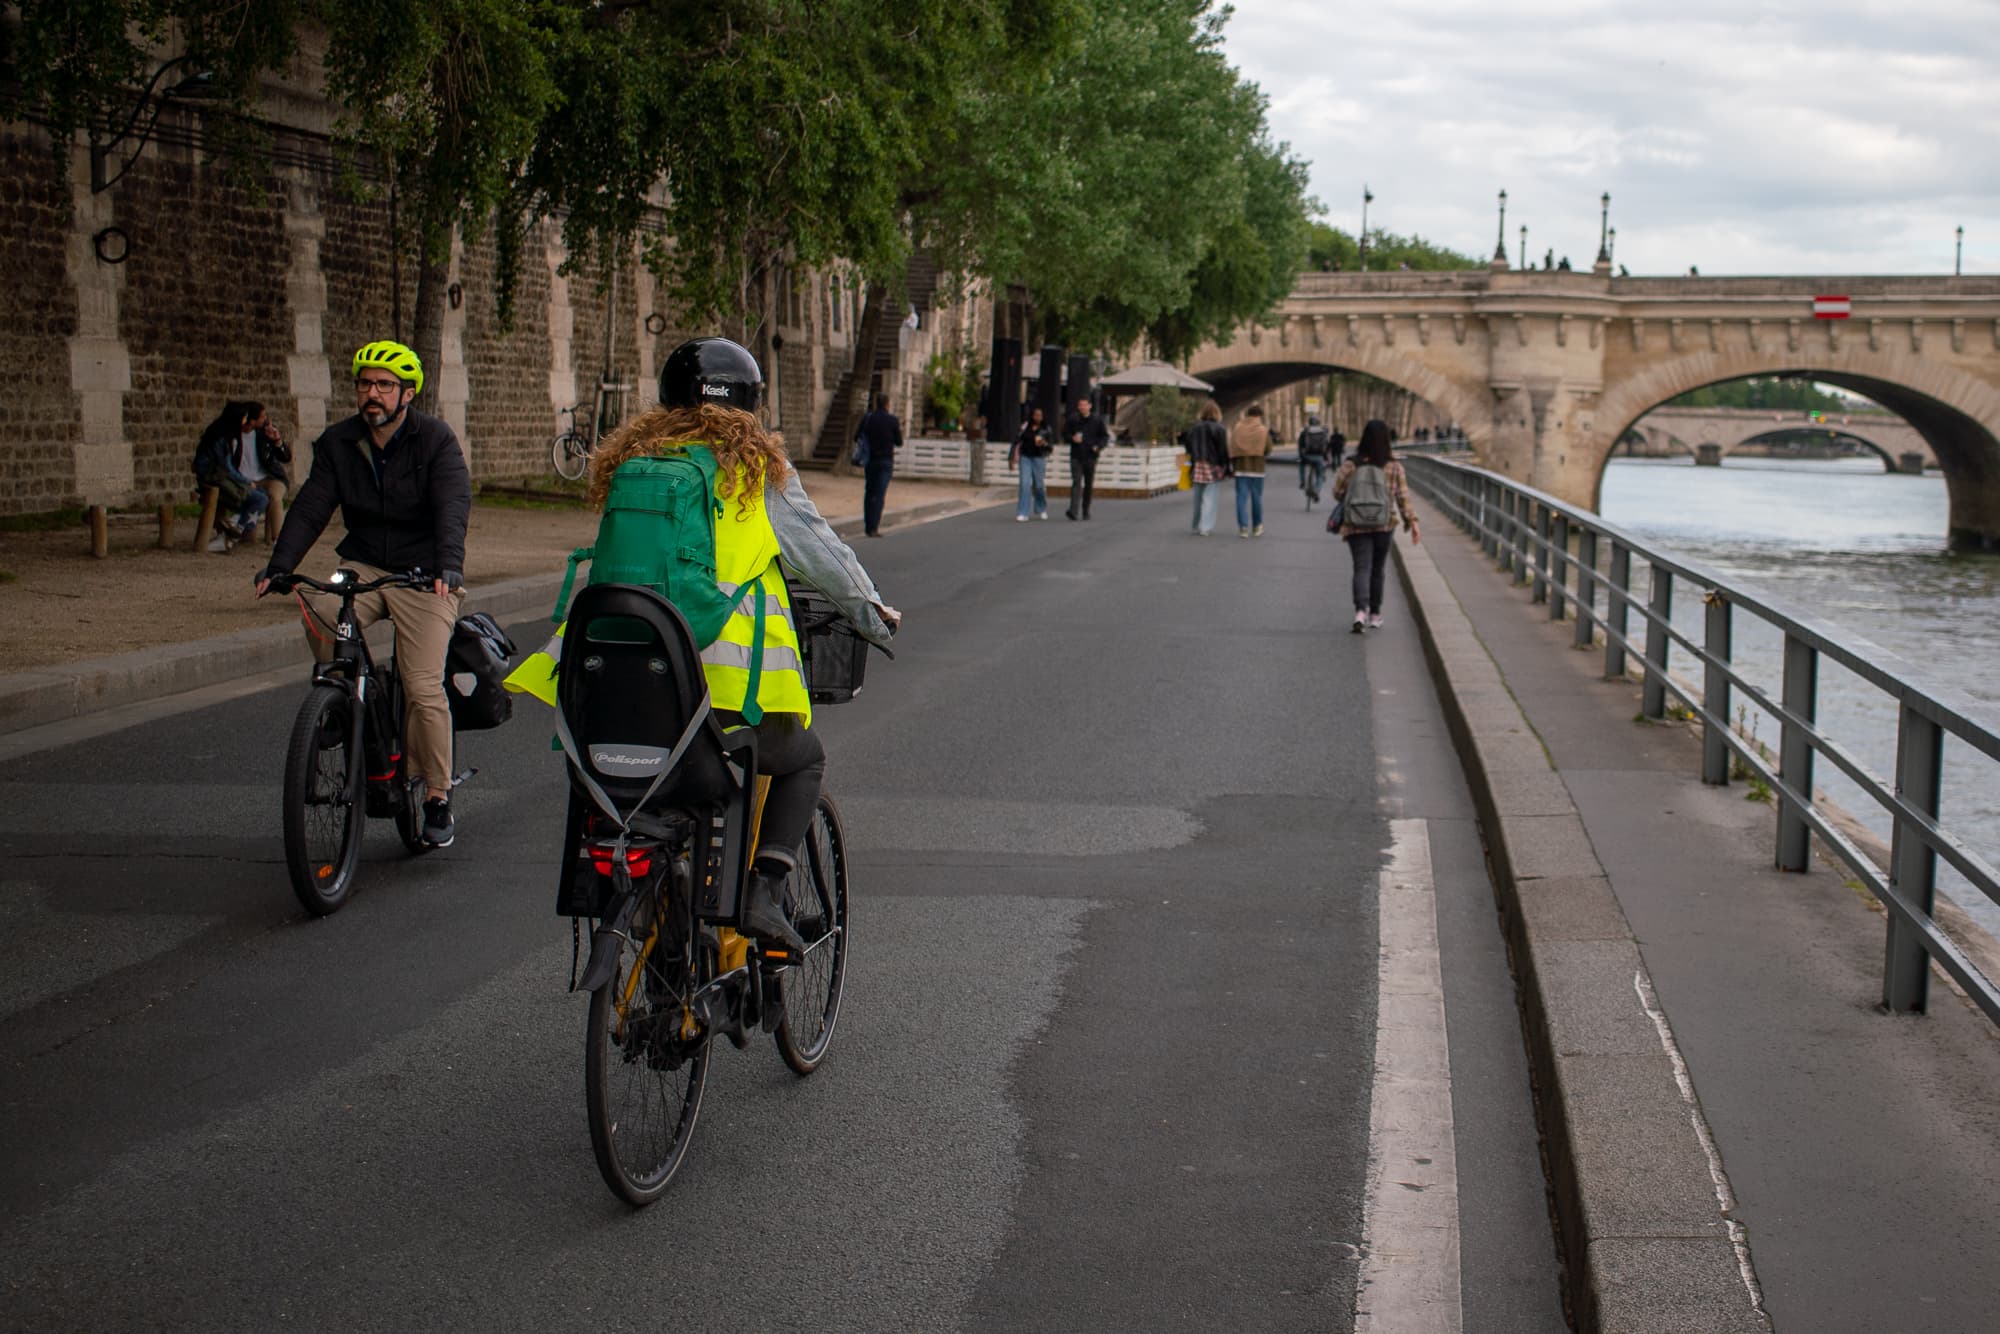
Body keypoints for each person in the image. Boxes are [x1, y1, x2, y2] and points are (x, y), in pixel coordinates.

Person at [586, 337, 899, 951]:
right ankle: (764, 891)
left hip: (615, 691)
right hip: (720, 698)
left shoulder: (634, 467)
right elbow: (822, 556)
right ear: (752, 406)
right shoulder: (757, 474)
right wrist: (874, 617)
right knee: (803, 760)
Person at [254, 340, 472, 848]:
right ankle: (343, 694)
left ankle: (438, 794)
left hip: (423, 573)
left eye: (384, 386)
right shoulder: (339, 442)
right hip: (364, 562)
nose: (371, 394)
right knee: (319, 603)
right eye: (365, 384)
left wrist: (449, 566)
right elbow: (311, 506)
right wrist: (281, 566)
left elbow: (453, 505)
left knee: (422, 686)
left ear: (407, 393)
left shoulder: (434, 440)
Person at [1332, 418, 1421, 633]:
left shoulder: (1351, 464)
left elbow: (1337, 492)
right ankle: (1375, 614)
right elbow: (1403, 498)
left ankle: (1360, 612)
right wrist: (1413, 522)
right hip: (1384, 524)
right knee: (1377, 570)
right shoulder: (1394, 467)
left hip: (1356, 524)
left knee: (1361, 567)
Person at [193, 401, 272, 552]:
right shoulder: (220, 438)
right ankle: (233, 532)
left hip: (219, 477)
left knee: (262, 495)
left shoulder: (223, 434)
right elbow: (226, 468)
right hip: (215, 480)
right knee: (259, 498)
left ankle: (233, 530)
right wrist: (246, 481)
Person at [234, 401, 292, 544]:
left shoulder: (264, 434)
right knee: (248, 540)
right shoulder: (234, 436)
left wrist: (277, 440)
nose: (266, 420)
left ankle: (278, 540)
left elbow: (285, 457)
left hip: (270, 478)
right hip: (246, 481)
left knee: (275, 496)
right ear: (252, 421)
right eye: (262, 417)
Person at [855, 393, 901, 537]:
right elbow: (899, 441)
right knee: (879, 494)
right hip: (886, 460)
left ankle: (868, 525)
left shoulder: (868, 418)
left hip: (870, 459)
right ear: (887, 404)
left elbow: (856, 436)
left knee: (869, 491)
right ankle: (874, 526)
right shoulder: (892, 420)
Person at [1181, 399, 1230, 535]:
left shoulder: (1195, 428)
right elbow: (1223, 450)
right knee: (1210, 497)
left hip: (1197, 464)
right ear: (1217, 413)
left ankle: (1196, 524)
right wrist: (1226, 466)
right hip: (1212, 465)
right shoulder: (1219, 428)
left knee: (1198, 497)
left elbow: (1187, 445)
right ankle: (1205, 527)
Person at [1063, 394, 1110, 520]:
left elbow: (1105, 437)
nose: (1082, 407)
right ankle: (1073, 511)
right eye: (1080, 405)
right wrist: (1072, 438)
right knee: (1076, 482)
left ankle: (1085, 509)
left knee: (1088, 484)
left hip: (1091, 456)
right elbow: (1065, 434)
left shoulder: (1097, 420)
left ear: (1090, 406)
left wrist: (1098, 446)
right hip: (1076, 455)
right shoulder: (1073, 419)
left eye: (1085, 405)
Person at [1228, 403, 1270, 537]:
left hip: (1240, 467)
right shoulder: (1263, 430)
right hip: (1257, 468)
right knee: (1256, 497)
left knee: (1241, 497)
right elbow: (1268, 448)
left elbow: (1231, 445)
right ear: (1259, 416)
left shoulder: (1238, 428)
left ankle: (1243, 527)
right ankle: (1257, 526)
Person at [1011, 405, 1053, 521]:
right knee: (1024, 484)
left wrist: (1043, 443)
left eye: (1040, 415)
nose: (1037, 417)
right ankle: (1023, 512)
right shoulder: (1025, 426)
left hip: (1039, 458)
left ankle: (1041, 508)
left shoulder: (1046, 429)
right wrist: (1012, 457)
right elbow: (1017, 440)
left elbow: (1050, 446)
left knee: (1039, 485)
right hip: (1025, 457)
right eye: (1035, 415)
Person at [1297, 414, 1332, 505]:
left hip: (1307, 456)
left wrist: (1301, 455)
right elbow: (1327, 446)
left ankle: (1302, 482)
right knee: (1320, 474)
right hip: (1319, 457)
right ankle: (1316, 491)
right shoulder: (1323, 431)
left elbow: (1300, 445)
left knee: (1301, 464)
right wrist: (1324, 457)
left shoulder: (1305, 431)